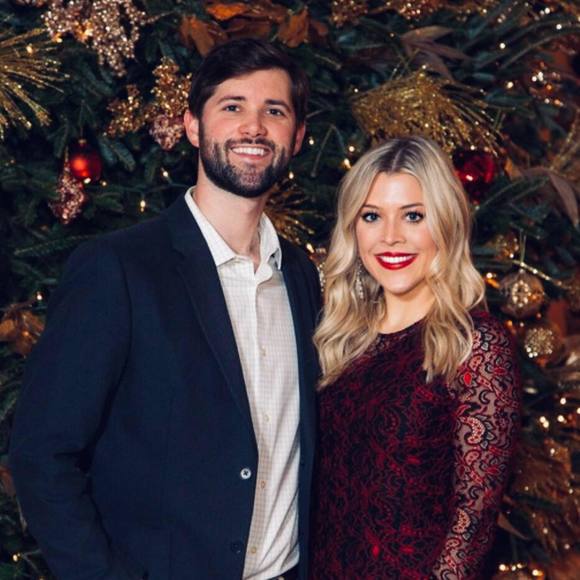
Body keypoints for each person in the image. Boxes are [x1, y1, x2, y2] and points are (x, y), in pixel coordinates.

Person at [10, 39, 320, 580]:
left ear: (296, 137)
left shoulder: (301, 277)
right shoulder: (117, 269)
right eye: (232, 106)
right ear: (193, 126)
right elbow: (41, 455)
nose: (253, 127)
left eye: (274, 111)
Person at [309, 136, 520, 579]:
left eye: (413, 216)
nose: (391, 237)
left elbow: (473, 522)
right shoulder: (341, 340)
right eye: (372, 216)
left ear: (445, 222)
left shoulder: (474, 345)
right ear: (353, 229)